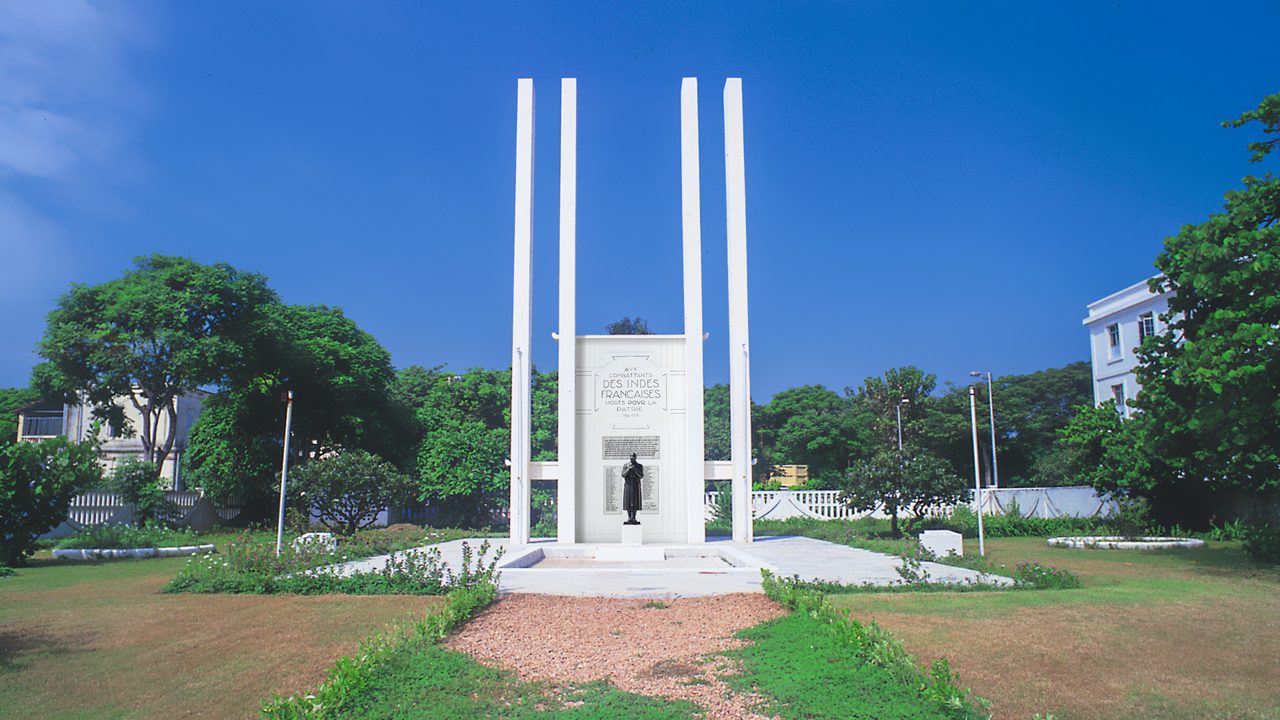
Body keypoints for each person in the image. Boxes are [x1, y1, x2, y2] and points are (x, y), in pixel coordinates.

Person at [621, 452, 644, 525]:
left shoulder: (639, 466)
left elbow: (641, 476)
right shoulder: (625, 465)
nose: (631, 458)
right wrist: (628, 469)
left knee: (635, 501)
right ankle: (629, 517)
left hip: (636, 484)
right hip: (628, 485)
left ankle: (633, 517)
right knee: (628, 501)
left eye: (633, 457)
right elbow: (623, 475)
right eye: (630, 457)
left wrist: (635, 470)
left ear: (635, 457)